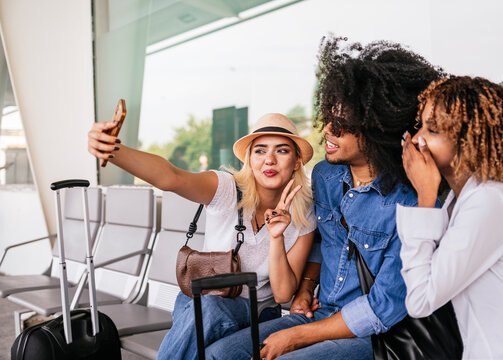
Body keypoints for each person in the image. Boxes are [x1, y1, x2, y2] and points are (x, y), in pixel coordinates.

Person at [205, 37, 445, 359]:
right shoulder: (325, 176)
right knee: (221, 354)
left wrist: (297, 336)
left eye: (342, 125)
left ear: (377, 129)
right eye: (328, 117)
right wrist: (305, 288)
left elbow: (381, 309)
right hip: (320, 313)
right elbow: (324, 240)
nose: (327, 131)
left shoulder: (412, 205)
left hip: (372, 334)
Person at [87, 113, 317, 360]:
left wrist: (277, 237)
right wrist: (113, 151)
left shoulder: (303, 216)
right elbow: (170, 177)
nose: (269, 160)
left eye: (281, 151)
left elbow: (283, 295)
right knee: (208, 310)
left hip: (255, 312)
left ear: (296, 161)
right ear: (250, 159)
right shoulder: (226, 189)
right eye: (260, 151)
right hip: (202, 303)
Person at [398, 76, 503, 359]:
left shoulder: (492, 201)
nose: (417, 140)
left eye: (433, 129)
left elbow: (421, 299)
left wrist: (425, 196)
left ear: (469, 140)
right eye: (420, 126)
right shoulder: (462, 198)